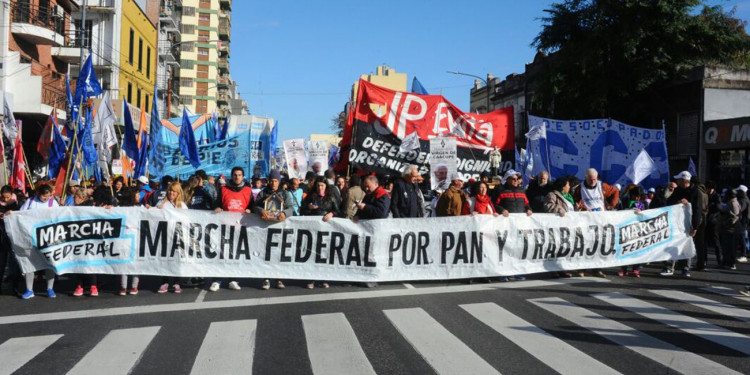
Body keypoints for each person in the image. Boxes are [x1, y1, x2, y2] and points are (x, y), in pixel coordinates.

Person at [212, 166, 254, 292]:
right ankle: (216, 280)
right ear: (232, 176)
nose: (237, 177)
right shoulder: (223, 189)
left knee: (236, 254)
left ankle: (233, 280)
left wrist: (250, 209)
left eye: (240, 175)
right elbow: (216, 203)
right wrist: (217, 208)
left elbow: (253, 205)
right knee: (221, 253)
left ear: (243, 176)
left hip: (240, 227)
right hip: (224, 226)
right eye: (235, 175)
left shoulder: (247, 190)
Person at [572, 168, 618, 278]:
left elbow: (615, 191)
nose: (593, 181)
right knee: (585, 244)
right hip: (586, 220)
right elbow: (575, 202)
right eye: (591, 179)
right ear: (586, 177)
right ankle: (581, 269)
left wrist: (611, 205)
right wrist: (580, 208)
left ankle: (597, 269)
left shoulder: (602, 186)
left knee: (599, 244)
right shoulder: (579, 188)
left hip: (601, 221)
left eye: (594, 179)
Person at [253, 169, 294, 290]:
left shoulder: (285, 194)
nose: (274, 183)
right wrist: (261, 211)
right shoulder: (263, 193)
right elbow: (255, 206)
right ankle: (265, 278)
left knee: (279, 253)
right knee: (266, 253)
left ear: (279, 181)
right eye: (272, 181)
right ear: (268, 181)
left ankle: (279, 278)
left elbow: (291, 208)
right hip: (265, 227)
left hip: (279, 228)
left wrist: (285, 213)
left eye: (276, 181)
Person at [17, 184, 59, 299]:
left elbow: (59, 217)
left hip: (48, 238)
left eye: (48, 196)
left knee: (49, 263)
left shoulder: (53, 203)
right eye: (44, 196)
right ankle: (29, 290)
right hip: (31, 237)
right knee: (29, 263)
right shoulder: (30, 202)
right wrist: (11, 214)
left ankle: (50, 288)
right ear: (38, 194)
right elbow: (20, 214)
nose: (46, 199)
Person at [662, 172, 707, 277]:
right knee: (672, 243)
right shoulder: (677, 190)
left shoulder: (695, 192)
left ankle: (685, 268)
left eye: (678, 180)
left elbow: (697, 210)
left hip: (688, 223)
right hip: (676, 222)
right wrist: (672, 195)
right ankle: (669, 266)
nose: (676, 181)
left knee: (686, 244)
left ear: (683, 180)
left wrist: (695, 226)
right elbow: (667, 202)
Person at [301, 176, 340, 289]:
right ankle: (311, 278)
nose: (320, 188)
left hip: (326, 230)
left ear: (326, 186)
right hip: (313, 230)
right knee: (313, 253)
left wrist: (331, 214)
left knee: (325, 253)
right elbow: (302, 210)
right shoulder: (311, 196)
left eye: (322, 185)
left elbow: (338, 210)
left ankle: (324, 278)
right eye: (318, 185)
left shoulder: (331, 197)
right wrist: (309, 207)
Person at [156, 182, 188, 293]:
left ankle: (176, 282)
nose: (171, 193)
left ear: (178, 192)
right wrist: (156, 210)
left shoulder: (183, 205)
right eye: (170, 190)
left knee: (177, 259)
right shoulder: (161, 203)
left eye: (174, 191)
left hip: (177, 236)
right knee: (165, 259)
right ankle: (164, 282)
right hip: (165, 235)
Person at [119, 188, 140, 295]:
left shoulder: (118, 209)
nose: (139, 196)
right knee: (134, 263)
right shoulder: (138, 209)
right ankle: (134, 287)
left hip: (123, 239)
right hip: (135, 238)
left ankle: (123, 287)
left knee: (124, 263)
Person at [0, 186, 19, 294]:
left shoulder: (17, 202)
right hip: (1, 237)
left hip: (13, 237)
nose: (6, 200)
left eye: (8, 197)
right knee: (1, 264)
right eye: (3, 197)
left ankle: (14, 286)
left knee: (14, 263)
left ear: (11, 194)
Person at [719, 189, 741, 270]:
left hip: (731, 230)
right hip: (729, 229)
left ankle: (731, 263)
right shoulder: (731, 202)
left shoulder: (733, 203)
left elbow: (734, 217)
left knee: (730, 248)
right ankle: (726, 262)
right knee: (727, 247)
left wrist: (724, 224)